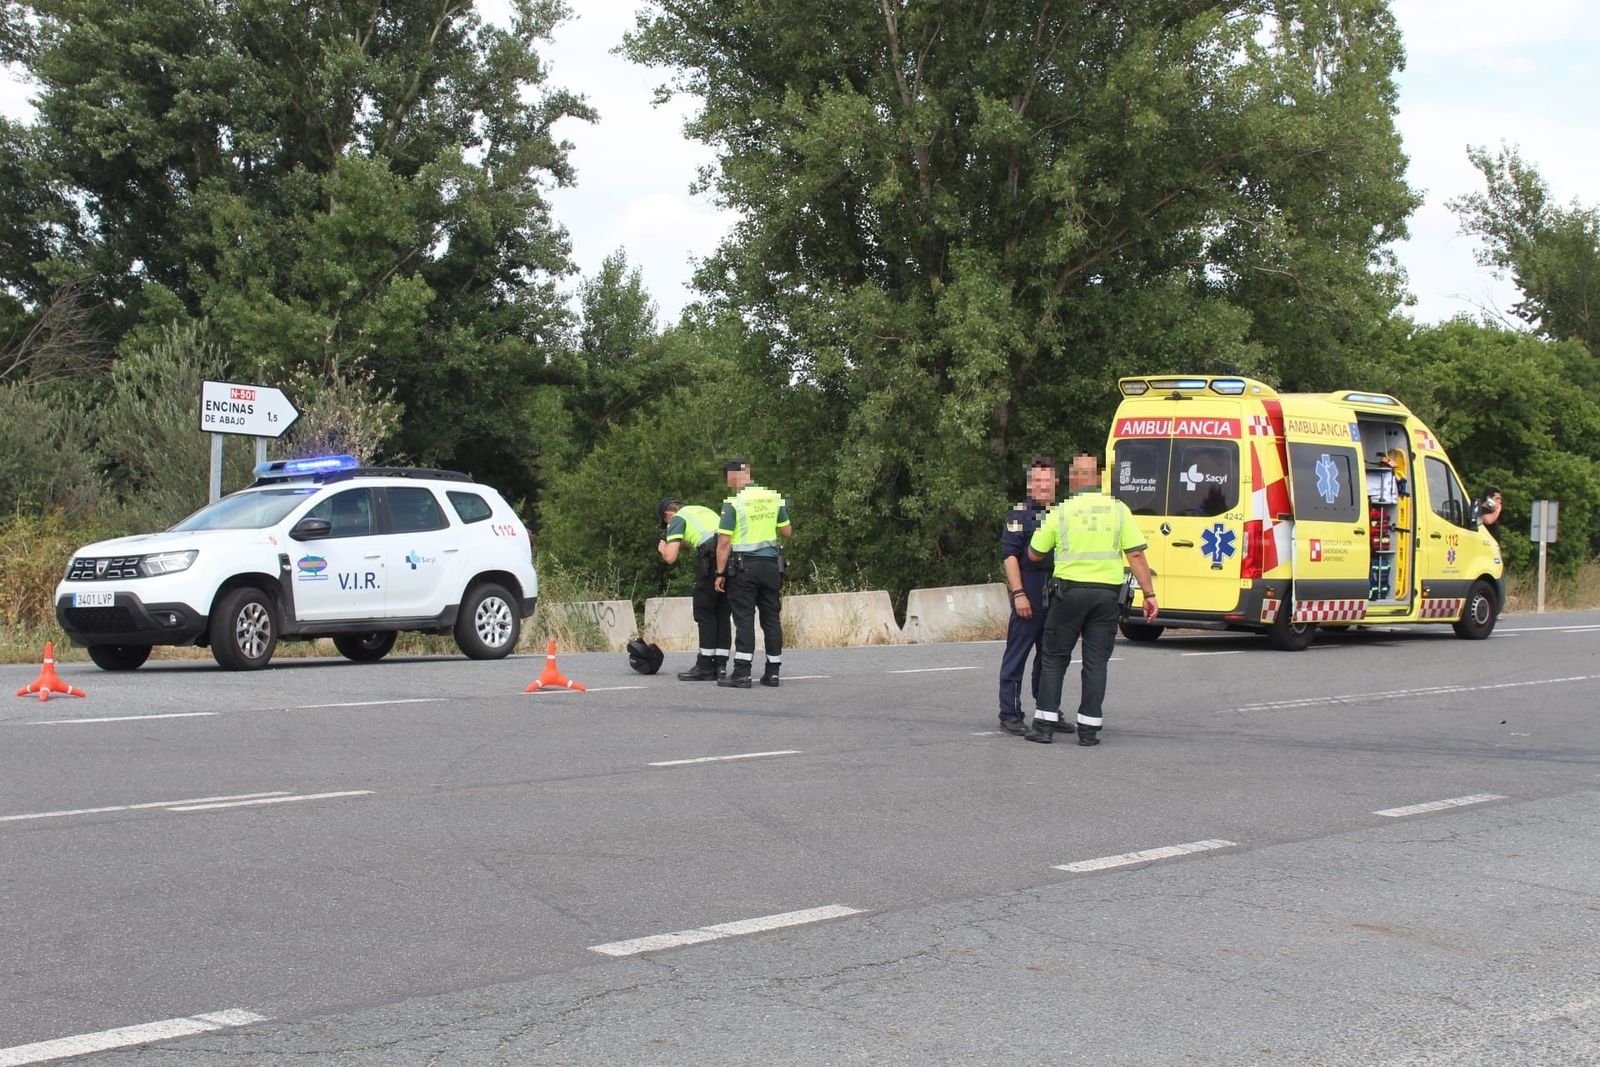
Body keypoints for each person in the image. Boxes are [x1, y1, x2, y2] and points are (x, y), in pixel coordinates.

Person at [1023, 453, 1158, 746]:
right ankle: (1088, 730)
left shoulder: (1062, 511)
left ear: (1073, 479)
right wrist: (1149, 594)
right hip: (1107, 596)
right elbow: (1135, 554)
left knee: (1055, 657)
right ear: (1098, 479)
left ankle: (1044, 725)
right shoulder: (1119, 510)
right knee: (1096, 662)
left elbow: (1034, 553)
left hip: (1069, 593)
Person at [713, 459, 792, 689]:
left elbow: (724, 541)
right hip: (770, 567)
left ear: (731, 476)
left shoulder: (733, 503)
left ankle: (742, 673)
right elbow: (787, 531)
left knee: (744, 618)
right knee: (771, 618)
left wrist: (720, 573)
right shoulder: (773, 497)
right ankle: (773, 672)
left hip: (744, 567)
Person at [996, 456, 1057, 735]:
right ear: (1030, 484)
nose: (1043, 486)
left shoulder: (1063, 513)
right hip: (1029, 589)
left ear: (1055, 482)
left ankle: (1047, 711)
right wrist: (1018, 593)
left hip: (1055, 593)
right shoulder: (1019, 516)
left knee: (1050, 656)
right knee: (1017, 654)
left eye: (1048, 481)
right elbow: (1010, 557)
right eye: (1038, 481)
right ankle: (1010, 713)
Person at [658, 496, 732, 681]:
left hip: (710, 558)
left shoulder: (677, 519)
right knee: (722, 612)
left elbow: (670, 557)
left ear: (668, 514)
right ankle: (721, 665)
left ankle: (705, 665)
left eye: (665, 522)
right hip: (729, 556)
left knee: (705, 612)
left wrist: (663, 547)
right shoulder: (701, 509)